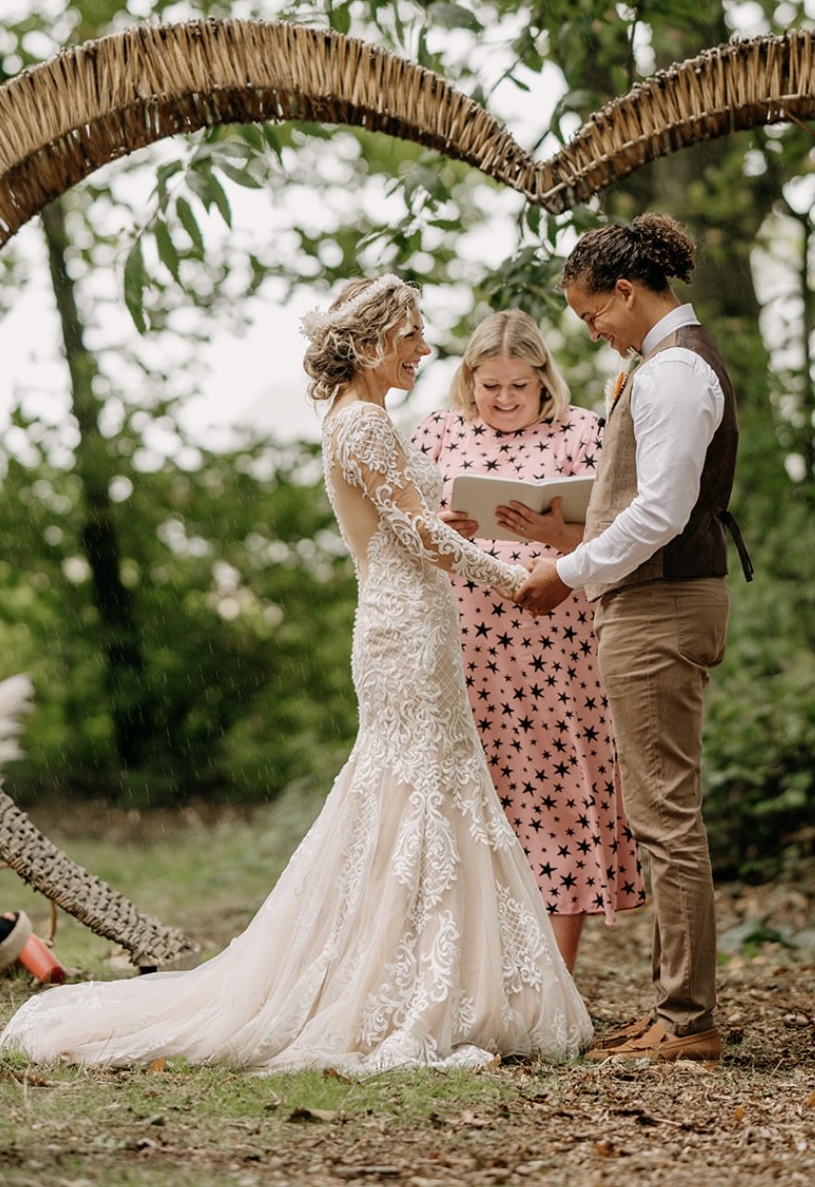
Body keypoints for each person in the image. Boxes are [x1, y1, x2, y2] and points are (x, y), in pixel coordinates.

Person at [0, 274, 592, 1073]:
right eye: (413, 334)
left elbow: (407, 523)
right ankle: (402, 984)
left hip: (409, 621)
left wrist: (448, 528)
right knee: (414, 791)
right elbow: (413, 537)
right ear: (375, 339)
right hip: (404, 627)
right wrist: (510, 578)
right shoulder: (367, 426)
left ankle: (429, 975)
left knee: (415, 792)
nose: (423, 350)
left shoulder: (362, 421)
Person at [518, 214, 752, 1064]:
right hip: (650, 603)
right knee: (659, 812)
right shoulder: (656, 368)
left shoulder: (674, 373)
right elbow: (640, 495)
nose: (592, 330)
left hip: (659, 609)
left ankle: (687, 1020)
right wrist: (560, 524)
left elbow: (661, 511)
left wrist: (568, 571)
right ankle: (674, 1011)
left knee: (665, 817)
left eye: (592, 315)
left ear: (625, 290)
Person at [412, 310, 644, 974]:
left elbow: (621, 535)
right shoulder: (436, 432)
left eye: (519, 385)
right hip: (465, 652)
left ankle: (553, 984)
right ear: (468, 380)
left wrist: (560, 537)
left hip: (559, 654)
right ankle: (469, 972)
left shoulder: (583, 432)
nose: (506, 399)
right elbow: (401, 536)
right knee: (473, 805)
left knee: (558, 799)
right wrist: (438, 525)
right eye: (491, 386)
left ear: (544, 380)